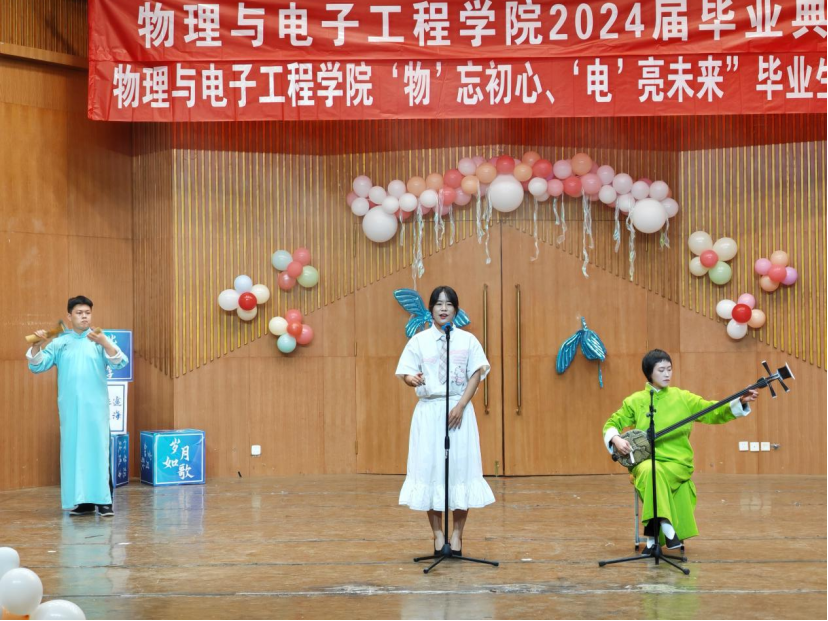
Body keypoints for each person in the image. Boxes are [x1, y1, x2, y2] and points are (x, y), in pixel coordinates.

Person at [603, 349, 758, 552]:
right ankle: (667, 527)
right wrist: (616, 439)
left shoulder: (683, 398)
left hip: (677, 463)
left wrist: (739, 402)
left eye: (669, 369)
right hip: (646, 462)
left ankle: (653, 538)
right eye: (661, 370)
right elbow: (612, 423)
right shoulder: (635, 401)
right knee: (651, 470)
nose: (667, 374)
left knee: (653, 475)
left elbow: (712, 411)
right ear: (649, 373)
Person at [396, 286, 494, 555]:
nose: (443, 309)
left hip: (458, 412)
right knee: (431, 471)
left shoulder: (468, 340)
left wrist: (461, 405)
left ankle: (458, 535)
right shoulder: (419, 341)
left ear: (456, 310)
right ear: (431, 309)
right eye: (438, 304)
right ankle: (438, 535)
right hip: (429, 411)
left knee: (460, 471)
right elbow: (406, 373)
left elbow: (476, 373)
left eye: (448, 304)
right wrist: (411, 379)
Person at [27, 295, 129, 517]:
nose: (84, 317)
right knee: (74, 454)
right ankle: (82, 501)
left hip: (96, 410)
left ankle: (104, 501)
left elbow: (120, 361)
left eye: (87, 313)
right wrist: (37, 345)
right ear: (69, 316)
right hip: (70, 410)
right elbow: (37, 366)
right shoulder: (60, 342)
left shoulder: (99, 338)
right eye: (79, 313)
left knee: (98, 452)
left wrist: (104, 342)